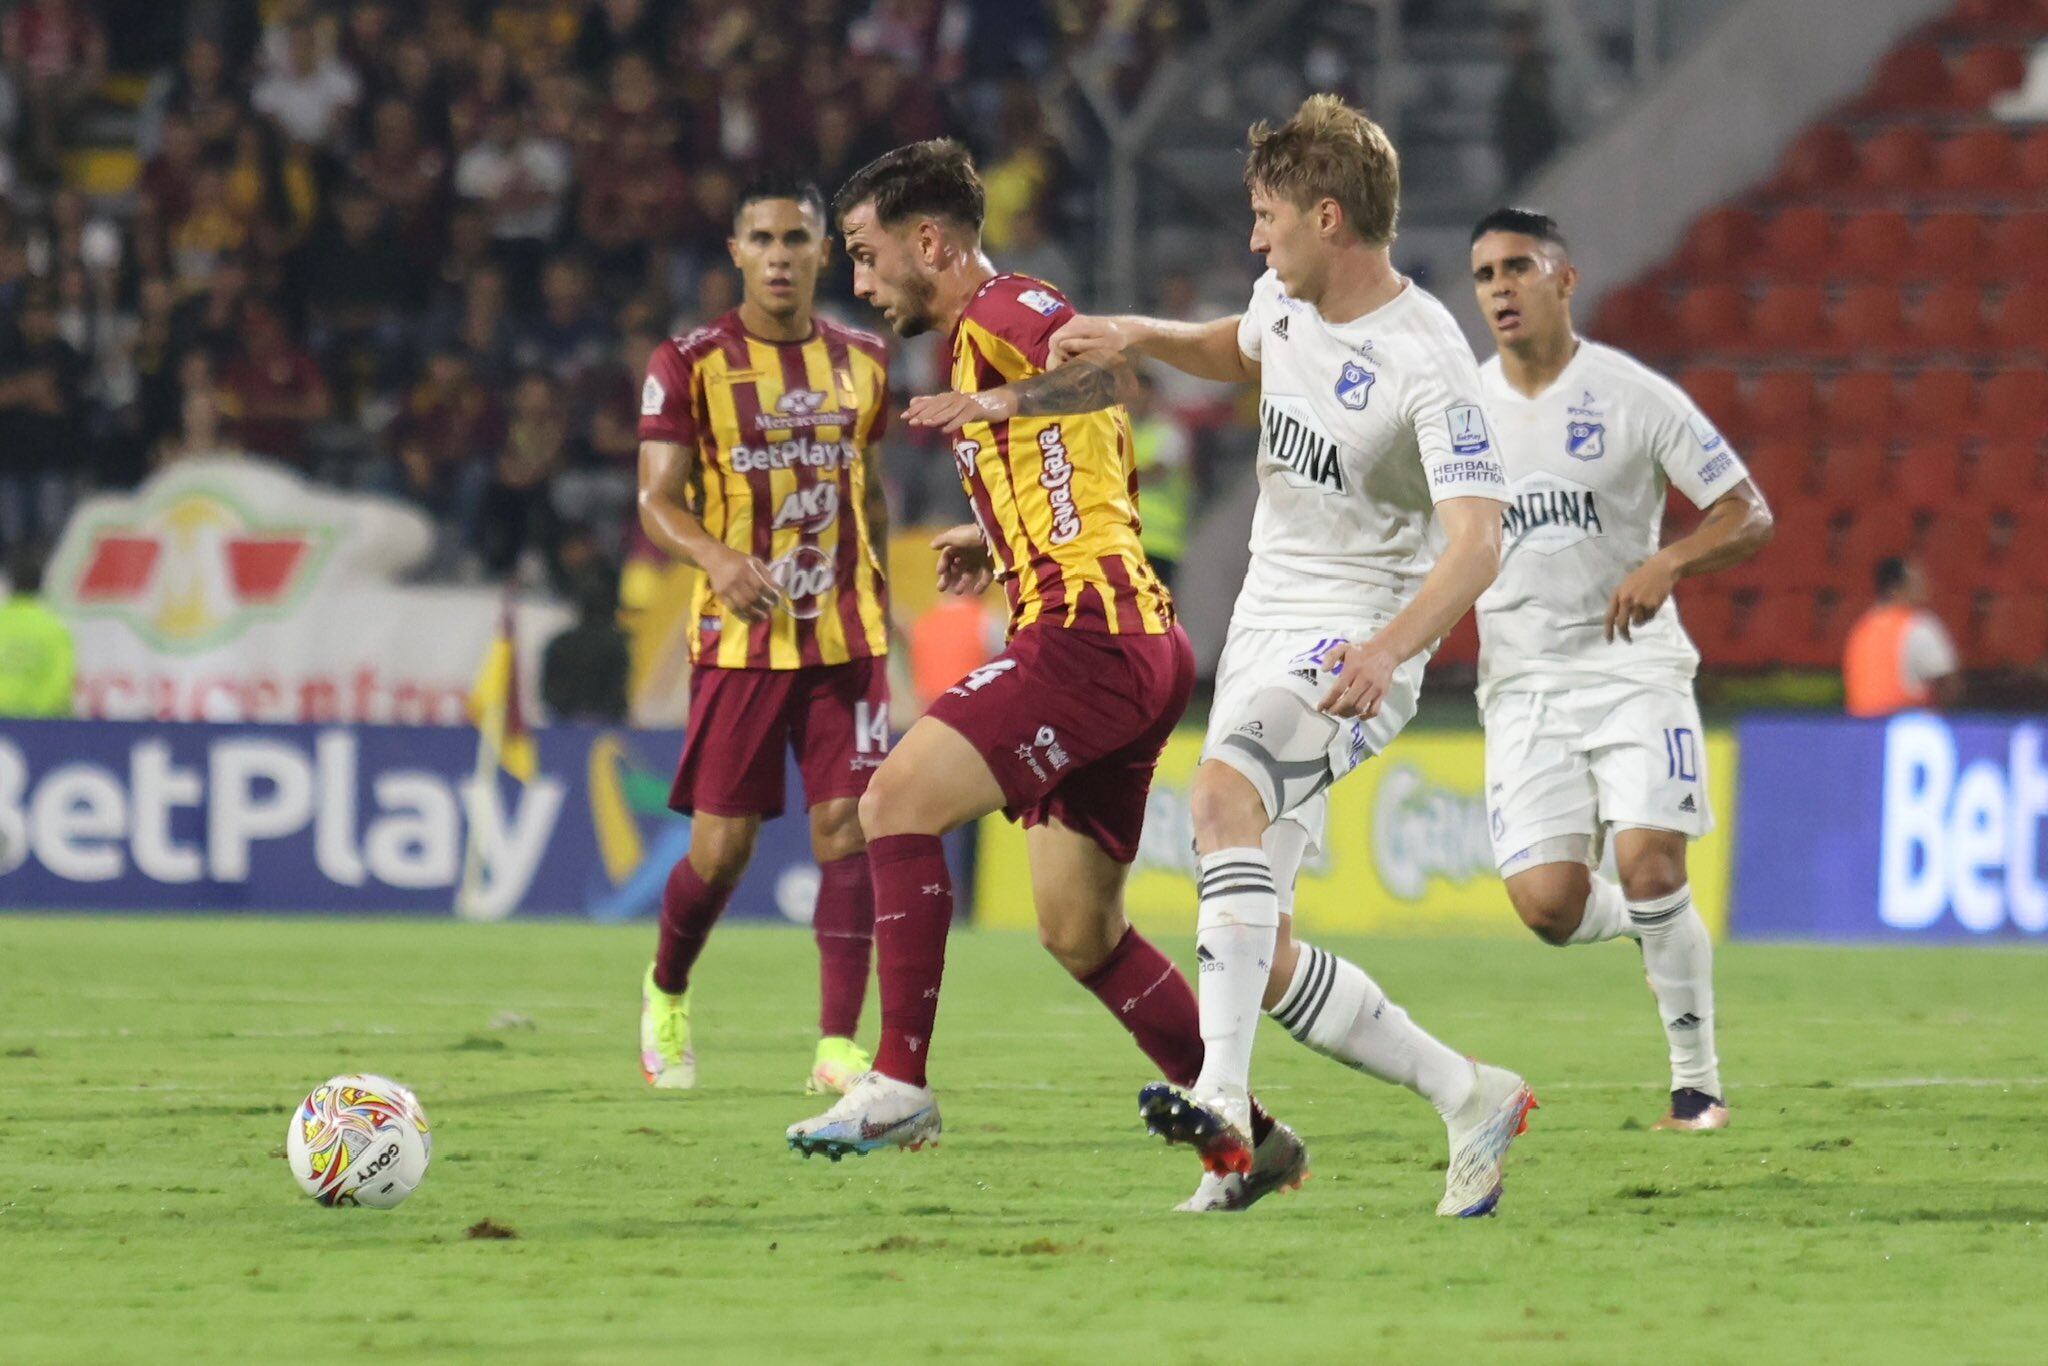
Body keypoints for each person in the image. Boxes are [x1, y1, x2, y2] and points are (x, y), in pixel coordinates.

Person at [786, 140, 1305, 1199]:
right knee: (1078, 930)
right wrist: (1001, 541)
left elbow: (1095, 375)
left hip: (1088, 641)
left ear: (928, 240)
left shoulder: (1008, 311)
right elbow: (1087, 445)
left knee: (891, 802)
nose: (860, 280)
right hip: (1124, 636)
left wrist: (994, 409)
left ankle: (898, 1079)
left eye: (865, 253)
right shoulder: (977, 331)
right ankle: (1247, 1137)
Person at [1048, 95, 1533, 1218]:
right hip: (1266, 621)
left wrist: (1387, 647)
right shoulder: (1286, 297)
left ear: (1328, 217)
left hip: (1354, 638)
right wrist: (1137, 336)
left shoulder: (1427, 362)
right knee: (1258, 953)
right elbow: (1240, 344)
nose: (1253, 241)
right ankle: (1471, 1095)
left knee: (1218, 800)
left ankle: (1221, 1101)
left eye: (1267, 217)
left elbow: (1478, 540)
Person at [1468, 207, 1775, 1132]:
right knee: (1548, 909)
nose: (1499, 289)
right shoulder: (1461, 413)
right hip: (1522, 682)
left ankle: (1697, 1085)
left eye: (1518, 268)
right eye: (1484, 276)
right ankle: (1658, 930)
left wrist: (1670, 560)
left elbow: (1747, 512)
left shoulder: (1633, 395)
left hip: (1632, 670)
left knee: (1649, 865)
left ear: (1565, 279)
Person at [636, 173, 893, 1097]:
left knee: (849, 828)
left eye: (798, 239)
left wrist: (886, 597)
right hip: (742, 641)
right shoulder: (688, 362)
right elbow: (655, 502)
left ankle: (836, 1047)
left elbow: (871, 487)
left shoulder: (867, 359)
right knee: (721, 853)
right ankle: (666, 992)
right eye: (763, 240)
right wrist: (715, 558)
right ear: (736, 252)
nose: (781, 256)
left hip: (847, 636)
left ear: (827, 252)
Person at [1844, 556, 1960, 717]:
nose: (1925, 586)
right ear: (1894, 588)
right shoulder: (1918, 626)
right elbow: (1949, 686)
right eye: (1916, 581)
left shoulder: (1862, 628)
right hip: (1907, 726)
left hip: (1862, 728)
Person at [0, 542, 75, 718]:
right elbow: (60, 681)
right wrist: (36, 714)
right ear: (42, 584)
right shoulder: (55, 628)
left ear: (11, 585)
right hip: (39, 724)